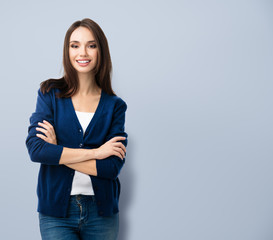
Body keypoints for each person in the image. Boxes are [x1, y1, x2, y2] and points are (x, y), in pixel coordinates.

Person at [25, 18, 128, 240]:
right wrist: (96, 153)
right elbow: (37, 150)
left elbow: (111, 167)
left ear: (101, 51)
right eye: (75, 45)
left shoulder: (115, 106)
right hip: (56, 214)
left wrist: (57, 152)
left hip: (101, 214)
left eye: (91, 45)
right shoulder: (49, 93)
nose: (83, 52)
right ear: (67, 50)